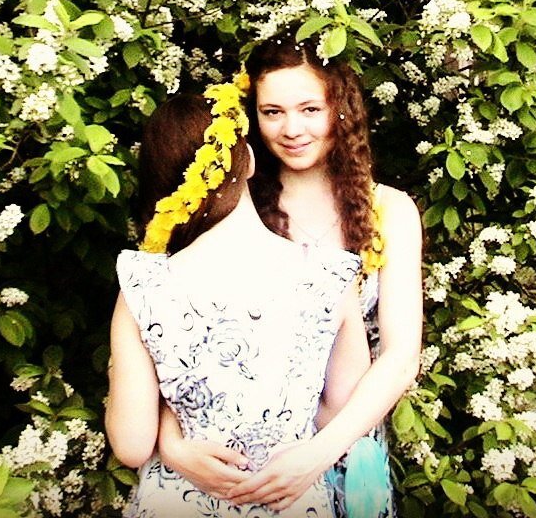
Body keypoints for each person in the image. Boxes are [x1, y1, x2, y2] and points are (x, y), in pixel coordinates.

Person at [158, 31, 424, 517]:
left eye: (310, 109)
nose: (292, 129)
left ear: (339, 109)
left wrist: (318, 455)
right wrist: (172, 444)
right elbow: (168, 332)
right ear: (252, 117)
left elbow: (401, 355)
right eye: (272, 112)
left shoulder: (390, 210)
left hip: (346, 447)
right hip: (240, 464)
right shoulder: (235, 207)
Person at [105, 82, 371, 517]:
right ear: (247, 159)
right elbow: (340, 406)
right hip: (289, 499)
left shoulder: (143, 284)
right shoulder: (330, 274)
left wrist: (174, 426)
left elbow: (132, 444)